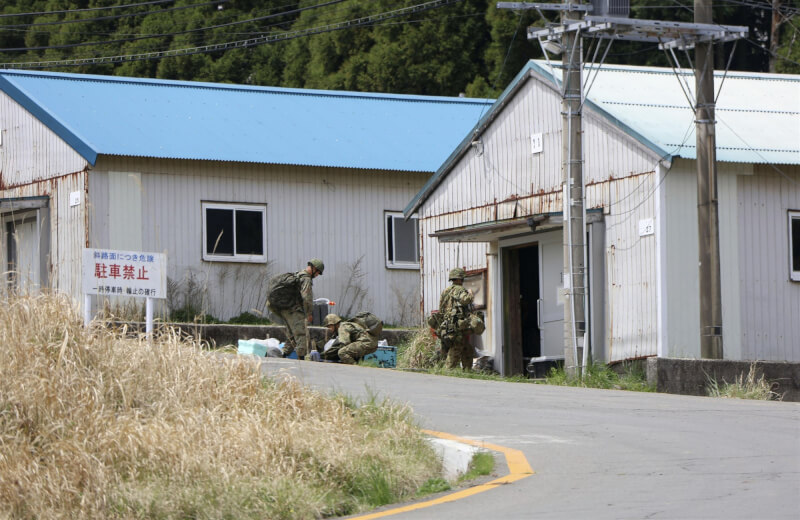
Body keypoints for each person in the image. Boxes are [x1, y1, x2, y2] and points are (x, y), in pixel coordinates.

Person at [267, 258, 324, 360]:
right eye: (318, 272)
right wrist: (308, 313)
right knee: (301, 333)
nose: (317, 275)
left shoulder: (297, 275)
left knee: (292, 334)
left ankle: (283, 354)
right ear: (314, 268)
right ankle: (301, 359)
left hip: (284, 309)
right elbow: (307, 298)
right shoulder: (306, 279)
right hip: (293, 309)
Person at [438, 267, 474, 370]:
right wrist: (471, 294)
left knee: (467, 349)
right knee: (456, 348)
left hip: (446, 325)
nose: (462, 281)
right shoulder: (460, 289)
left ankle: (467, 371)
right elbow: (466, 300)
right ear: (459, 279)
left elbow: (440, 308)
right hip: (457, 325)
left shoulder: (445, 291)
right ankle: (448, 371)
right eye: (462, 279)